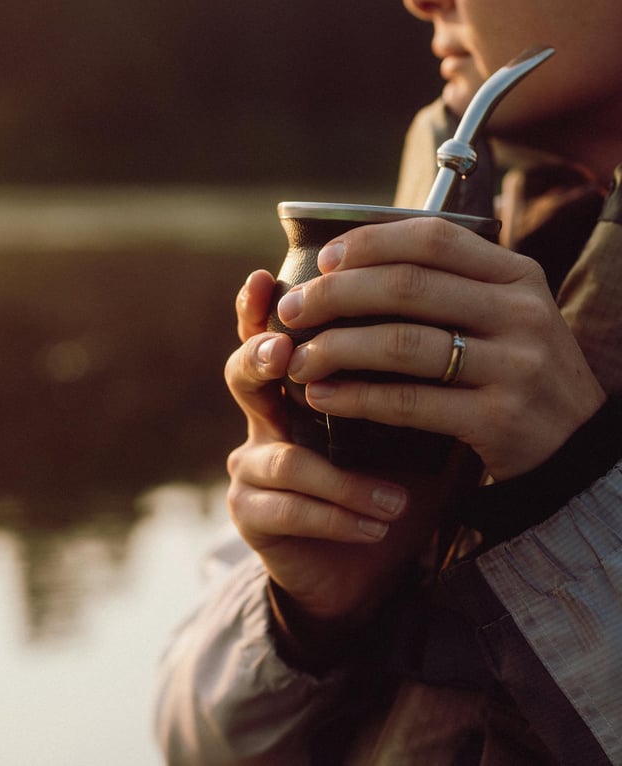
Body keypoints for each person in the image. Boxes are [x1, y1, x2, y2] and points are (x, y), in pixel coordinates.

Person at [154, 0, 622, 763]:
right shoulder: (481, 221)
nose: (419, 0)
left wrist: (575, 490)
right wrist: (308, 616)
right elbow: (190, 742)